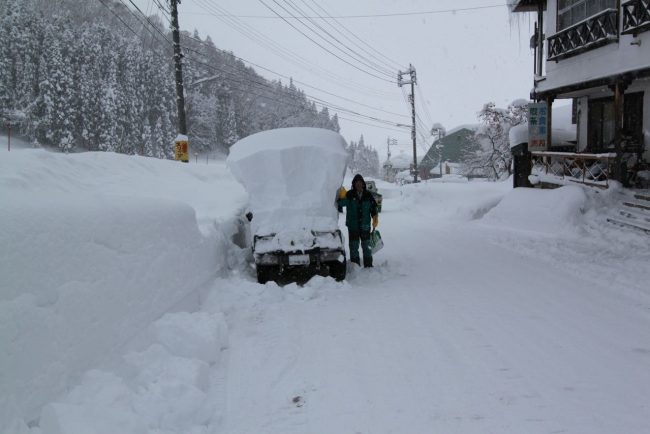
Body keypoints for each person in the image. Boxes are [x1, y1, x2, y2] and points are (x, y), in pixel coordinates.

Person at [337, 174, 379, 267]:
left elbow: (373, 208)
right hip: (353, 226)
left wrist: (375, 217)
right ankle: (355, 266)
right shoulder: (350, 194)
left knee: (366, 246)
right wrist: (341, 195)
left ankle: (368, 265)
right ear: (354, 184)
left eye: (360, 182)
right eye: (356, 183)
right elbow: (341, 203)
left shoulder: (368, 195)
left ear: (363, 184)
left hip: (365, 225)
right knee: (353, 246)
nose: (358, 184)